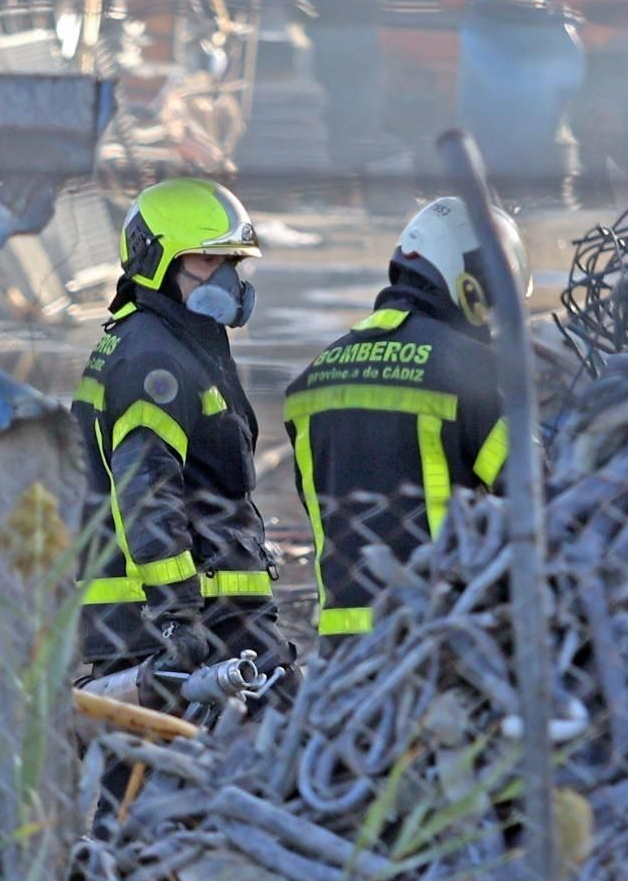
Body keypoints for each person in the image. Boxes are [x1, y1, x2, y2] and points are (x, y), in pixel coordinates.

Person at [71, 177, 293, 710]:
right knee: (277, 748)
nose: (226, 279)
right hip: (187, 625)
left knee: (160, 778)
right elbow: (146, 492)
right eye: (206, 262)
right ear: (158, 261)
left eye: (231, 264)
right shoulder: (154, 359)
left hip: (201, 619)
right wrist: (176, 618)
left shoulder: (175, 343)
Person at [283, 197, 530, 649]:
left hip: (342, 648)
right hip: (442, 636)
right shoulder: (471, 369)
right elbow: (533, 494)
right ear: (466, 282)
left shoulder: (313, 379)